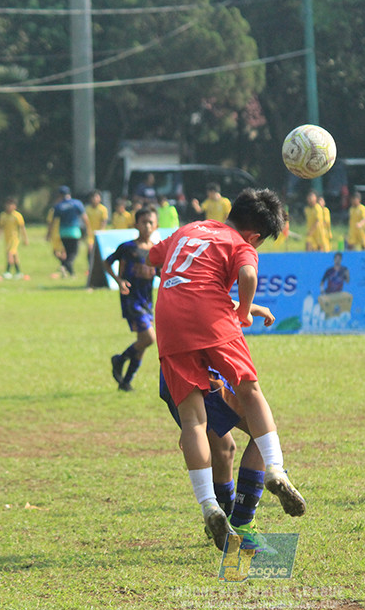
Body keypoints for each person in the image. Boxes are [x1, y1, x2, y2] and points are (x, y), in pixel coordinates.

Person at [148, 188, 306, 551]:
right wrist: (244, 309)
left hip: (169, 324)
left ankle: (211, 508)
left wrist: (233, 302)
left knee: (197, 426)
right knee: (251, 394)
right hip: (212, 326)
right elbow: (247, 276)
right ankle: (275, 473)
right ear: (255, 236)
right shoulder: (240, 243)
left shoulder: (188, 230)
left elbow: (165, 264)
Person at [159, 356, 276, 552]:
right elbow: (242, 323)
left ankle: (220, 521)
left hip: (172, 374)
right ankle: (243, 524)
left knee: (224, 448)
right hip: (204, 370)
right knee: (264, 434)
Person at [106, 207, 158, 392]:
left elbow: (162, 273)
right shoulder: (128, 247)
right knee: (149, 338)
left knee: (142, 343)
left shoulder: (156, 250)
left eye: (151, 222)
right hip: (131, 300)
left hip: (147, 302)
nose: (147, 226)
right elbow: (107, 261)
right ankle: (119, 360)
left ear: (156, 225)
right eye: (144, 222)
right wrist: (119, 280)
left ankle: (126, 382)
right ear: (136, 224)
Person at [47, 185, 88, 278]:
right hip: (74, 231)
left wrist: (49, 233)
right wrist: (88, 229)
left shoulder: (58, 206)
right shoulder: (77, 203)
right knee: (74, 252)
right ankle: (66, 265)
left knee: (67, 252)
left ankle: (69, 271)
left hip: (63, 232)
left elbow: (53, 222)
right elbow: (85, 218)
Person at [0, 198, 29, 279]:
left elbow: (22, 228)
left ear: (14, 206)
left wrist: (25, 238)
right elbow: (1, 227)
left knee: (10, 254)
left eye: (10, 205)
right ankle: (18, 272)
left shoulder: (17, 216)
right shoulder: (3, 215)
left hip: (14, 238)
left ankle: (7, 272)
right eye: (7, 205)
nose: (8, 207)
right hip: (7, 239)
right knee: (14, 255)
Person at [85, 190, 110, 288]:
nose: (95, 199)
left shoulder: (103, 209)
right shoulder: (87, 209)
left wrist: (101, 232)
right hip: (90, 235)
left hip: (99, 234)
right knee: (90, 251)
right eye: (93, 197)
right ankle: (90, 269)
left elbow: (104, 222)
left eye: (96, 197)